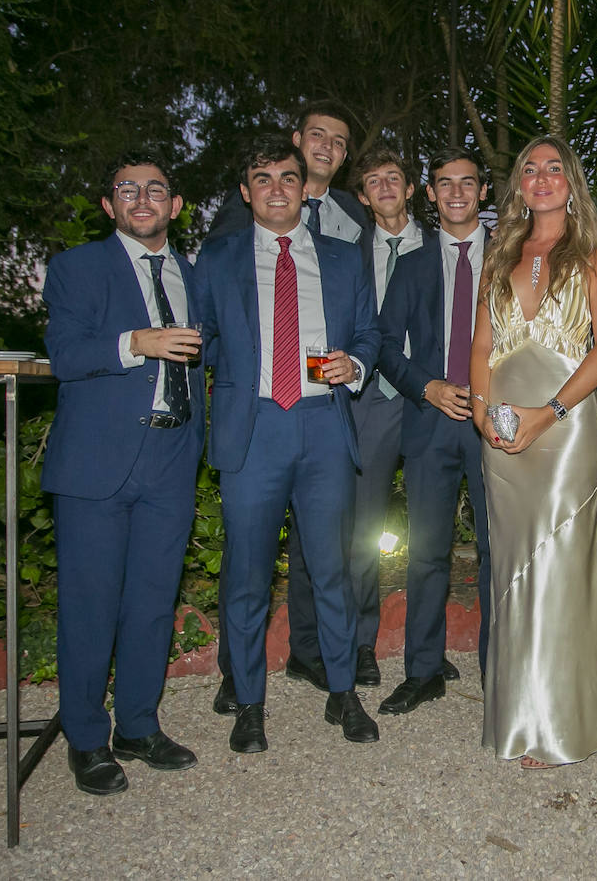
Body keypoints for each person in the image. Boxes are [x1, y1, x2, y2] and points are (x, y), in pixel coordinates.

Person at [194, 134, 380, 752]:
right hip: (255, 431)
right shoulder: (217, 259)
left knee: (332, 569)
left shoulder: (345, 256)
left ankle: (343, 691)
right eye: (264, 178)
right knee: (247, 577)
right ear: (246, 193)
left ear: (306, 189)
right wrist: (243, 383)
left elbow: (367, 332)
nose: (278, 187)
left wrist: (353, 364)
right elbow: (205, 340)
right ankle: (249, 701)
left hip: (325, 424)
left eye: (288, 178)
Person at [42, 151, 204, 796]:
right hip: (95, 466)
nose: (142, 199)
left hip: (171, 461)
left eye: (155, 190)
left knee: (151, 605)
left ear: (175, 205)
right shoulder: (76, 268)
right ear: (109, 206)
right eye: (127, 190)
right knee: (89, 608)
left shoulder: (194, 275)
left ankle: (139, 724)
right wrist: (133, 343)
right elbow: (64, 356)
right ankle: (86, 738)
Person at [471, 135, 597, 769]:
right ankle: (517, 715)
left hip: (563, 431)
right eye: (530, 169)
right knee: (510, 569)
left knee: (559, 564)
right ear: (517, 186)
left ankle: (562, 723)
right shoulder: (496, 254)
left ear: (572, 182)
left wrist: (551, 412)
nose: (542, 178)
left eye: (554, 168)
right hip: (503, 434)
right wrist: (484, 417)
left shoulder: (596, 258)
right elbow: (480, 351)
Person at [282, 148, 429, 694]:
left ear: (411, 188)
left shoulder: (441, 249)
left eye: (396, 176)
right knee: (365, 528)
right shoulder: (343, 255)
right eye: (374, 181)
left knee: (431, 530)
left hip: (435, 399)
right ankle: (362, 643)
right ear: (362, 197)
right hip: (373, 399)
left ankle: (427, 649)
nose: (386, 186)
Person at [375, 147, 492, 714]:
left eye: (466, 183)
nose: (455, 193)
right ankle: (423, 671)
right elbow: (382, 345)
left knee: (499, 551)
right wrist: (427, 387)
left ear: (484, 192)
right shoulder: (414, 265)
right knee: (426, 553)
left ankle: (502, 672)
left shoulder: (513, 259)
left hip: (497, 423)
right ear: (431, 194)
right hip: (431, 423)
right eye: (444, 184)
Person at [205, 100, 368, 244]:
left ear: (344, 156)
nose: (328, 145)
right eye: (317, 134)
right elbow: (216, 258)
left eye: (338, 142)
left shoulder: (356, 214)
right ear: (297, 139)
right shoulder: (253, 200)